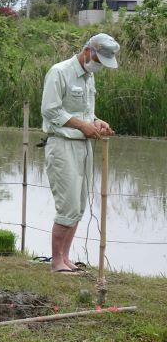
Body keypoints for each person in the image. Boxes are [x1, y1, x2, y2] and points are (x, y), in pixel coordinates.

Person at [40, 33, 120, 275]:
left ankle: (66, 257)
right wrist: (81, 126)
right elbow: (50, 111)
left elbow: (87, 114)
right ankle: (56, 262)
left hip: (84, 145)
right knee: (68, 204)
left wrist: (97, 122)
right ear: (88, 51)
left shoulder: (89, 77)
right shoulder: (60, 72)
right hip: (62, 145)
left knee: (79, 205)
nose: (98, 65)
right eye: (98, 59)